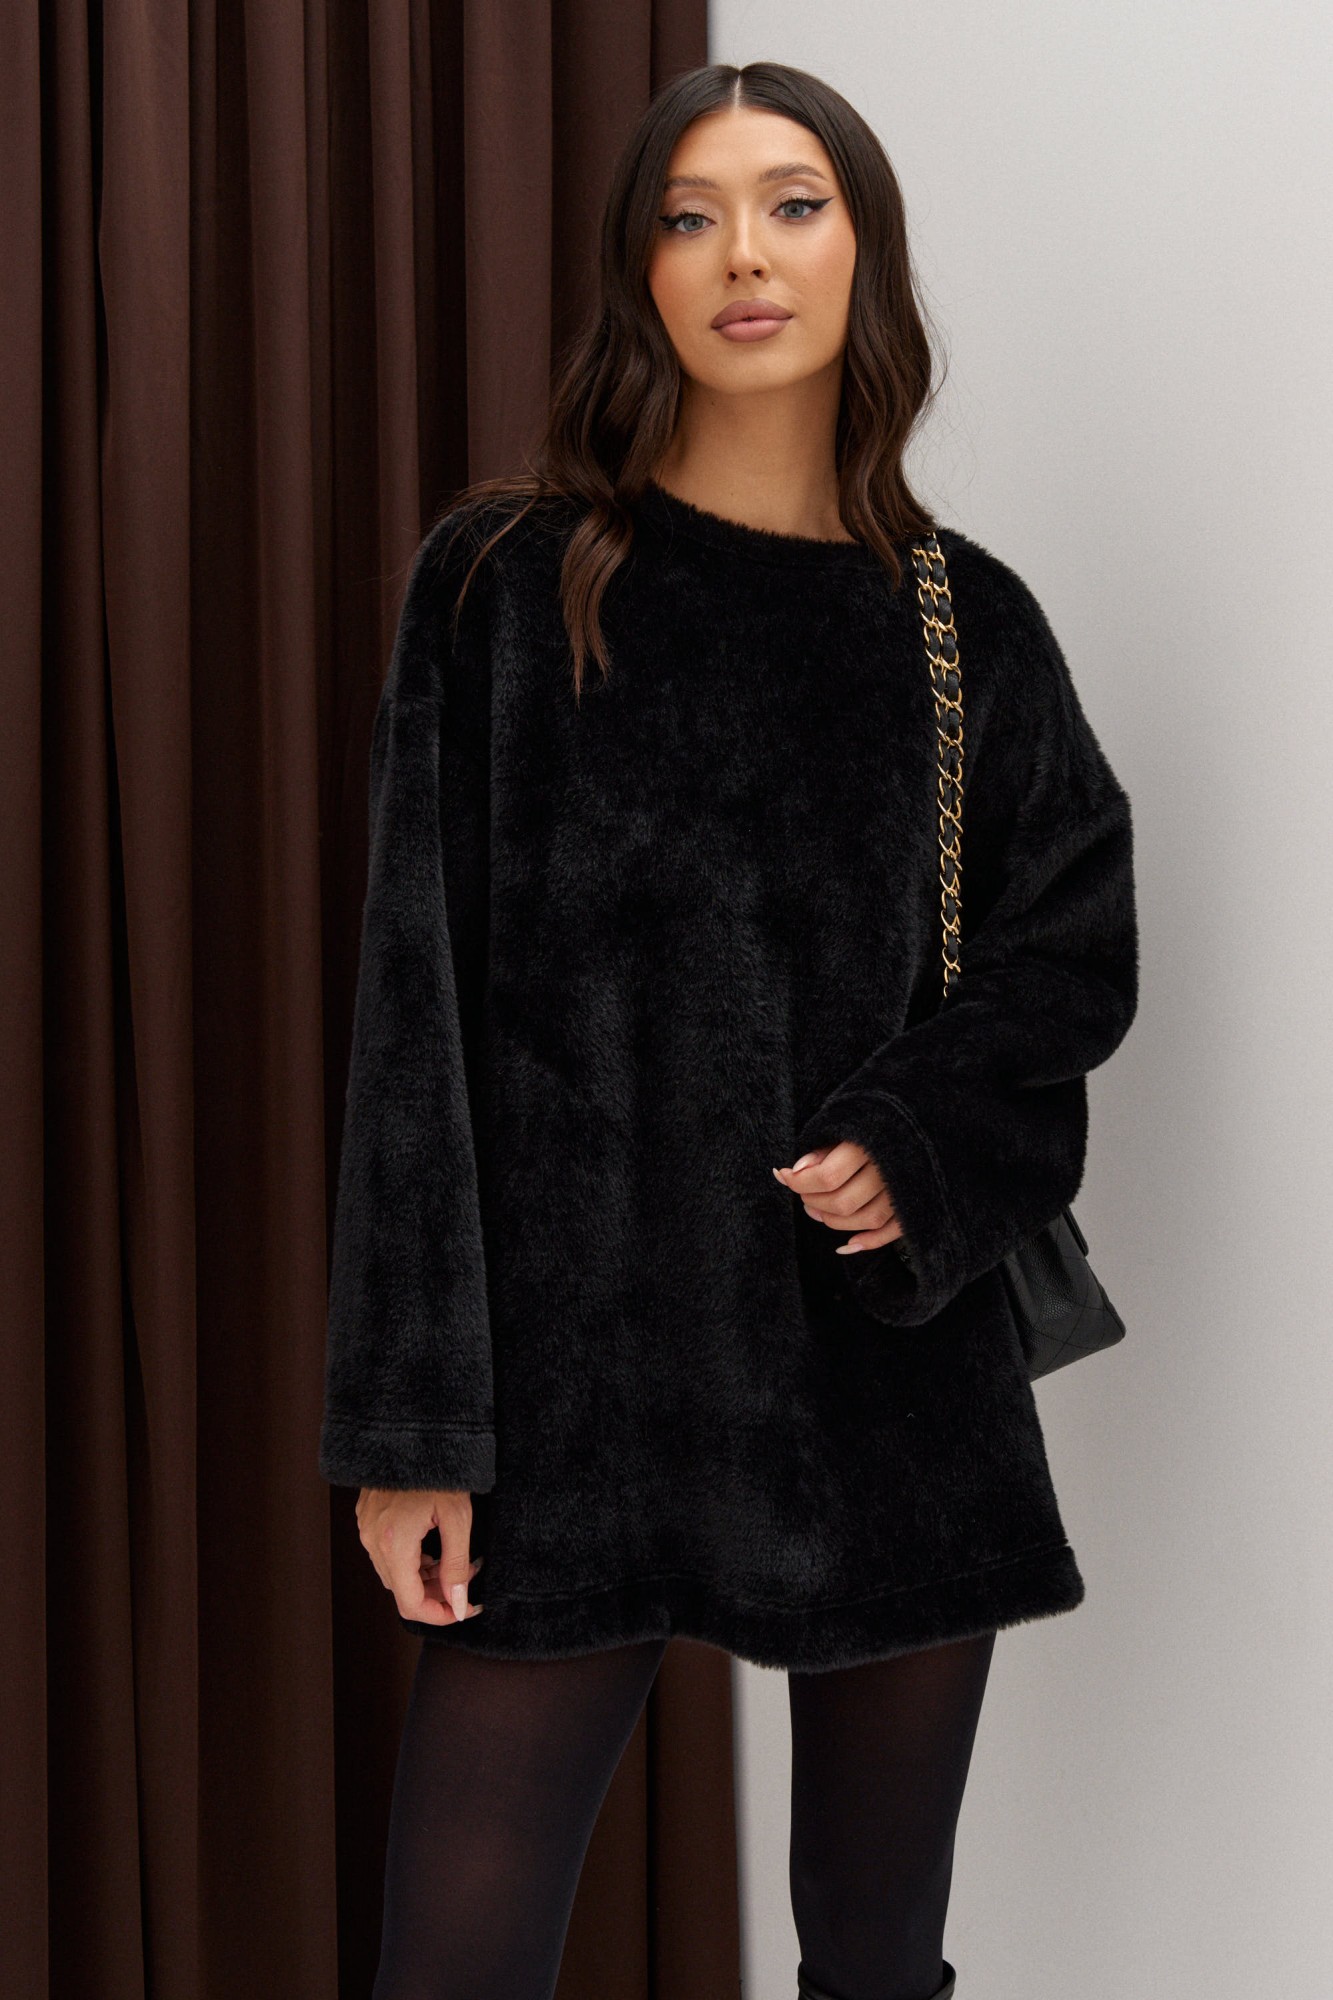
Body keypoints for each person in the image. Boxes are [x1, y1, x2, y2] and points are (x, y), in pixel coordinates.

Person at [319, 59, 1139, 2000]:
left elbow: (1066, 961)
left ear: (865, 253)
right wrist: (414, 1427)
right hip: (571, 1385)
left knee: (875, 1955)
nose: (742, 255)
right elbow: (414, 1026)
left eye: (792, 204)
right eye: (689, 218)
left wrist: (917, 1144)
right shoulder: (506, 585)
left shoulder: (967, 624)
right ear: (640, 274)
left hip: (878, 1373)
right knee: (453, 1962)